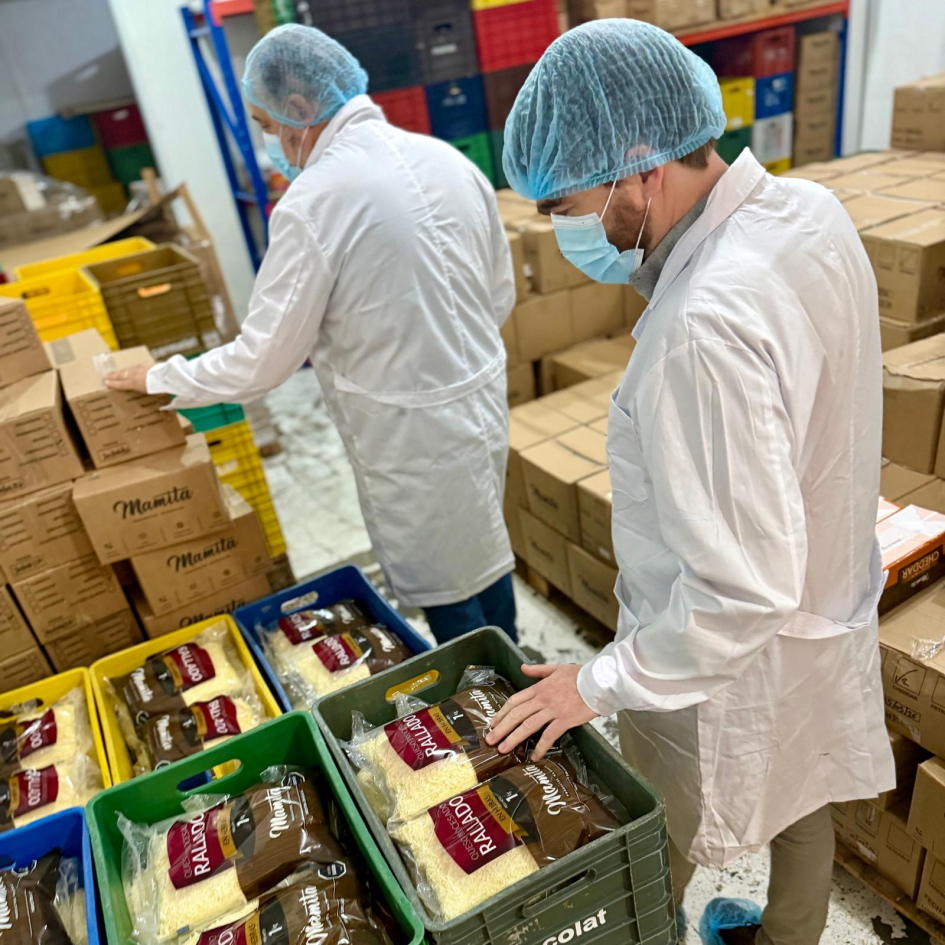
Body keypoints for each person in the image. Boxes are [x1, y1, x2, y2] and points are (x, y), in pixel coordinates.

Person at [486, 20, 893, 945]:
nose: (562, 233)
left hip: (722, 661)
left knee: (655, 847)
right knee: (801, 785)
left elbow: (738, 592)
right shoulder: (805, 212)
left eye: (564, 205)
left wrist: (598, 682)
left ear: (639, 169)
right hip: (822, 603)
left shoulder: (701, 328)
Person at [105, 24, 518, 645]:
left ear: (299, 108)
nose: (270, 142)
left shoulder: (316, 200)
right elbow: (499, 294)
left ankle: (490, 687)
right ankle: (514, 664)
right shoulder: (446, 160)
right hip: (480, 401)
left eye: (267, 126)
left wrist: (161, 378)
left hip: (407, 432)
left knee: (447, 586)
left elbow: (263, 362)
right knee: (485, 546)